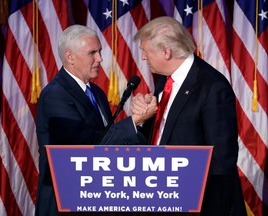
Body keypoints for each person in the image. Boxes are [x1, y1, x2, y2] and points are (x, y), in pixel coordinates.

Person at [35, 24, 157, 216]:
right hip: (65, 205)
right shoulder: (55, 95)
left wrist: (143, 120)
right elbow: (86, 149)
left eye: (100, 51)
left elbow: (109, 143)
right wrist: (133, 121)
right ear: (70, 57)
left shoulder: (96, 93)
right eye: (93, 53)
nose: (100, 59)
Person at [131, 16, 247, 215]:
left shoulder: (212, 86)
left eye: (145, 51)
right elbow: (161, 134)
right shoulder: (165, 80)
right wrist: (143, 114)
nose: (143, 57)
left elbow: (221, 160)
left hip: (196, 204)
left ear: (166, 52)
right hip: (161, 195)